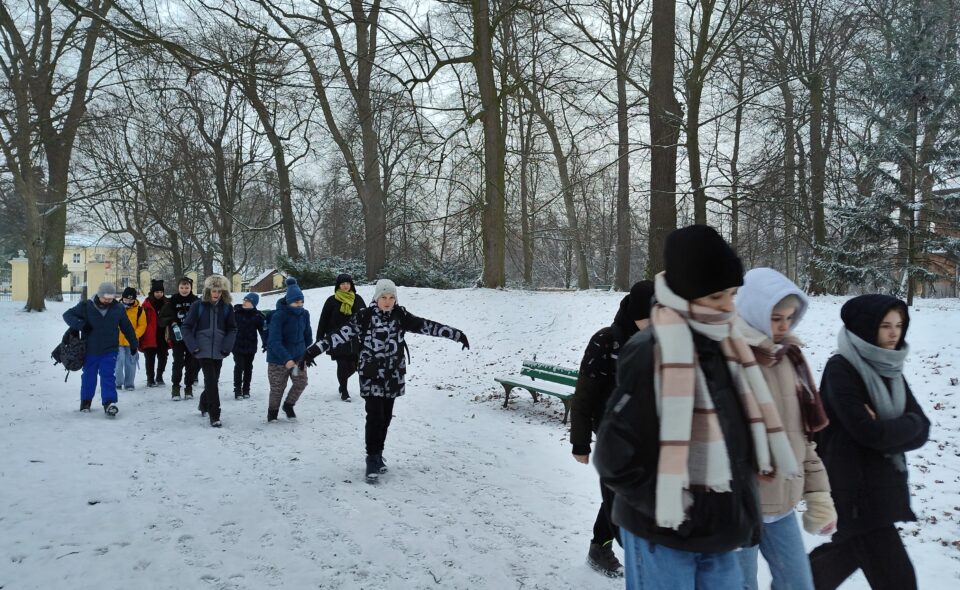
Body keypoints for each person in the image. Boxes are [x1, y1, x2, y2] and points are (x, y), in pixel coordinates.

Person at [593, 225, 800, 589]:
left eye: (732, 295)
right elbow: (613, 457)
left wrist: (747, 507)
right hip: (662, 535)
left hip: (719, 533)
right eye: (717, 296)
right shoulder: (650, 352)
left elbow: (736, 441)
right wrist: (666, 504)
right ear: (689, 292)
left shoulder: (731, 349)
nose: (728, 307)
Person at [808, 295, 930, 590]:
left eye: (899, 325)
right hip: (856, 492)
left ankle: (791, 583)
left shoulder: (889, 370)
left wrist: (896, 426)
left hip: (881, 486)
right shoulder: (841, 369)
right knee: (898, 580)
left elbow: (922, 427)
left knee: (836, 562)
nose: (894, 333)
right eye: (885, 325)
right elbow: (868, 433)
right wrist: (901, 427)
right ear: (865, 327)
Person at [304, 278, 469, 482]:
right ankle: (371, 458)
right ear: (377, 297)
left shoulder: (401, 316)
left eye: (391, 297)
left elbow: (427, 326)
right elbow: (338, 336)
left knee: (386, 417)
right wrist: (312, 351)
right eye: (384, 297)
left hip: (393, 375)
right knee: (374, 415)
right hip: (371, 375)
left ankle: (379, 454)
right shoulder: (364, 316)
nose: (388, 301)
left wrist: (456, 335)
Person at [734, 268, 836, 590]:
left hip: (782, 505)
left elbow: (801, 437)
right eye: (776, 317)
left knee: (798, 584)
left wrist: (818, 494)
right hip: (740, 507)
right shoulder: (729, 359)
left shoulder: (790, 358)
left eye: (790, 318)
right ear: (754, 311)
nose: (784, 326)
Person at [570, 280, 654, 578]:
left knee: (630, 497)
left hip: (648, 437)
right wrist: (580, 442)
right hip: (611, 435)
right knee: (618, 497)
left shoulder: (662, 342)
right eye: (649, 315)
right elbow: (584, 395)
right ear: (634, 312)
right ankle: (605, 547)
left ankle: (617, 546)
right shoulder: (607, 340)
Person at [62, 282, 138, 417]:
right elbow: (67, 315)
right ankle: (85, 401)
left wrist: (133, 343)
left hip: (110, 350)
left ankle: (109, 403)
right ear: (99, 295)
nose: (108, 301)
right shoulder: (86, 306)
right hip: (90, 350)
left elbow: (127, 327)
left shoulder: (118, 308)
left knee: (108, 376)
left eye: (111, 298)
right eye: (105, 298)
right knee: (88, 377)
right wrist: (81, 325)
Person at [181, 275, 237, 427]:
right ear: (208, 290)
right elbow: (185, 327)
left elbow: (232, 329)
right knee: (211, 381)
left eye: (219, 290)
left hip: (219, 350)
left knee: (214, 380)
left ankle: (203, 403)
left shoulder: (226, 307)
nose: (216, 293)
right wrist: (194, 347)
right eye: (213, 290)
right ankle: (215, 415)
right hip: (202, 349)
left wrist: (227, 347)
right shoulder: (198, 306)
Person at [265, 278, 313, 422]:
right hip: (278, 360)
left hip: (298, 358)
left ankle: (288, 405)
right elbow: (273, 341)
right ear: (288, 301)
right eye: (296, 302)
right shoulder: (279, 316)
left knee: (301, 382)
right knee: (277, 388)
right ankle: (272, 413)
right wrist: (287, 359)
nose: (300, 305)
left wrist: (305, 354)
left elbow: (308, 337)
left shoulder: (305, 314)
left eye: (301, 302)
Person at [317, 273, 366, 402]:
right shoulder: (332, 300)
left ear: (351, 285)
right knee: (342, 364)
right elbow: (323, 320)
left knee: (355, 366)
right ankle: (344, 390)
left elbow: (366, 318)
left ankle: (342, 383)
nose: (345, 286)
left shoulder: (358, 299)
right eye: (343, 284)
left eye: (348, 283)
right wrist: (319, 338)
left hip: (355, 339)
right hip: (337, 338)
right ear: (338, 285)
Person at [160, 277, 200, 400]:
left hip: (192, 338)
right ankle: (176, 388)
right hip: (177, 337)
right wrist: (171, 322)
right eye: (182, 287)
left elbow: (202, 317)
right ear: (178, 288)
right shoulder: (172, 300)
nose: (184, 290)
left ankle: (188, 388)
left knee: (191, 363)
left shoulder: (196, 301)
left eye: (187, 287)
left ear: (191, 288)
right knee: (178, 362)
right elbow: (162, 318)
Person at [232, 292, 266, 400]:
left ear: (254, 304)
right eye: (245, 300)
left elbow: (262, 331)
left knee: (248, 368)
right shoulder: (236, 313)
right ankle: (237, 390)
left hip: (251, 346)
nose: (245, 302)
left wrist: (266, 342)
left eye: (248, 301)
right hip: (237, 345)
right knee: (239, 366)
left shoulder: (257, 316)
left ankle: (246, 389)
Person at [115, 287, 147, 391]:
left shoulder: (139, 310)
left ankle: (129, 384)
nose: (128, 301)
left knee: (131, 362)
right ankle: (118, 382)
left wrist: (134, 336)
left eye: (131, 299)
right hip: (117, 341)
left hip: (131, 342)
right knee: (118, 361)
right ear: (122, 298)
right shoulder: (115, 308)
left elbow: (142, 325)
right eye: (126, 299)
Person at [140, 279, 170, 387]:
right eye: (157, 292)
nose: (159, 294)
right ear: (153, 292)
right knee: (150, 358)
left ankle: (159, 376)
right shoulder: (146, 304)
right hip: (149, 336)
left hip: (162, 335)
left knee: (163, 357)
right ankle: (150, 379)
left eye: (161, 292)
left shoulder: (167, 303)